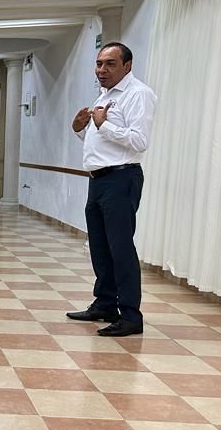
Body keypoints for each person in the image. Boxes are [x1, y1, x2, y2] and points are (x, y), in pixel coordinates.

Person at [66, 42, 156, 337]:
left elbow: (139, 141)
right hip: (98, 179)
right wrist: (81, 129)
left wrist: (103, 125)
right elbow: (103, 143)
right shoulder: (105, 96)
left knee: (120, 248)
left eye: (110, 64)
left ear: (127, 66)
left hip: (121, 179)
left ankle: (130, 316)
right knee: (100, 247)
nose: (101, 70)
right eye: (99, 63)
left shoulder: (138, 94)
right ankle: (105, 304)